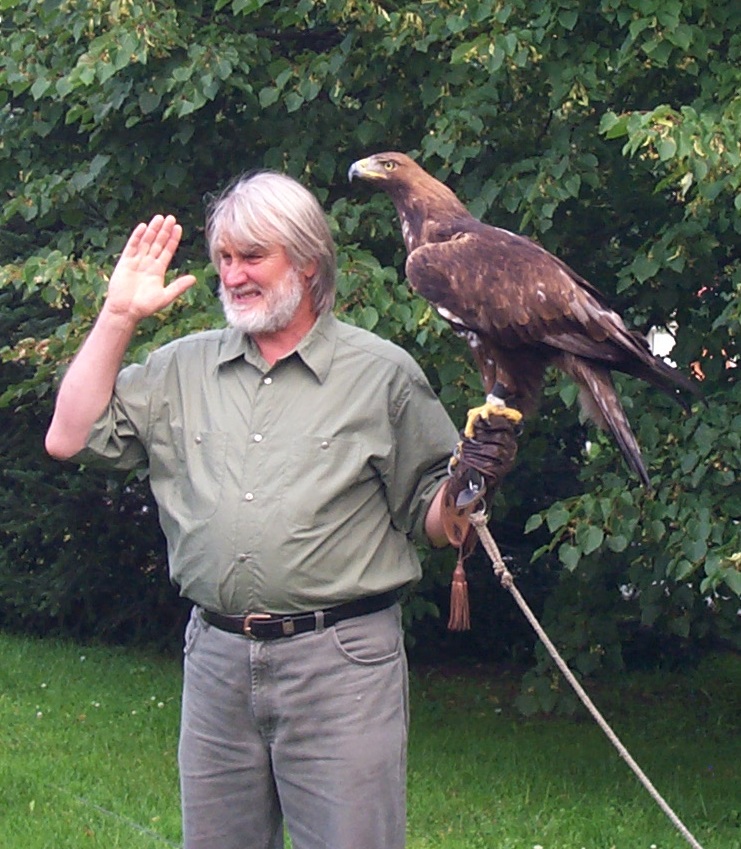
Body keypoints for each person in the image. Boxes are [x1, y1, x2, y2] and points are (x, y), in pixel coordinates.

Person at [45, 170, 518, 849]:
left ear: (305, 261)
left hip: (341, 664)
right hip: (214, 660)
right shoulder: (181, 367)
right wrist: (118, 316)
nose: (233, 275)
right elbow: (68, 435)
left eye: (251, 257)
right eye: (224, 260)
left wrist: (471, 478)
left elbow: (435, 518)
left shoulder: (379, 374)